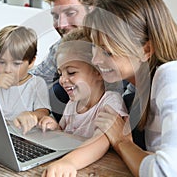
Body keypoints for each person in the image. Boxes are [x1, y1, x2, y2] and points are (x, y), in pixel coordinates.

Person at [84, 0, 177, 177]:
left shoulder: (175, 77)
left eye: (108, 52)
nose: (95, 60)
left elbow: (173, 173)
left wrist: (123, 143)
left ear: (146, 50)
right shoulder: (142, 85)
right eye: (94, 46)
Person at [40, 29, 127, 175]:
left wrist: (69, 162)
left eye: (71, 72)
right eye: (60, 73)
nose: (62, 80)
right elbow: (63, 133)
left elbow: (101, 141)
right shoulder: (72, 104)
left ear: (99, 72)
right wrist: (54, 127)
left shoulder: (111, 102)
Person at [30, 0, 99, 85]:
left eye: (70, 13)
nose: (61, 25)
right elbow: (35, 81)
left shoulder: (112, 45)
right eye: (56, 16)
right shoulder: (60, 47)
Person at [0, 25, 51, 134]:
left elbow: (43, 111)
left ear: (31, 62)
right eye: (1, 62)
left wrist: (32, 115)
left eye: (16, 63)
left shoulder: (36, 83)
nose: (7, 70)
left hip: (23, 135)